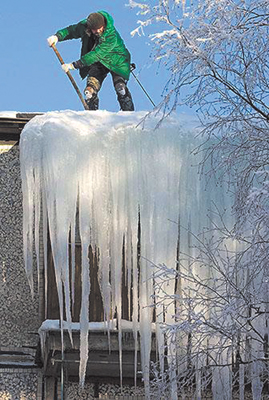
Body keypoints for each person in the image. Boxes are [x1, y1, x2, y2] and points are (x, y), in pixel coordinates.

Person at [47, 11, 134, 111]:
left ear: (103, 25)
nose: (97, 31)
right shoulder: (85, 27)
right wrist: (57, 36)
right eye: (94, 29)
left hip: (118, 61)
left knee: (120, 87)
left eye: (99, 28)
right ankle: (92, 114)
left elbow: (96, 54)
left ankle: (128, 113)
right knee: (89, 91)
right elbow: (72, 31)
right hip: (99, 62)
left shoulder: (111, 35)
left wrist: (75, 65)